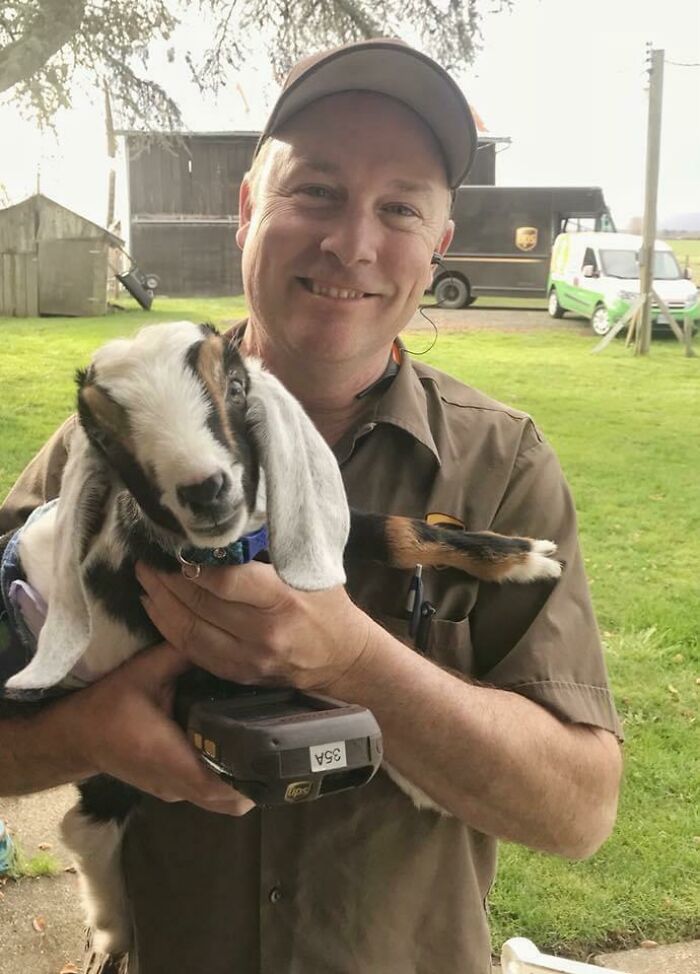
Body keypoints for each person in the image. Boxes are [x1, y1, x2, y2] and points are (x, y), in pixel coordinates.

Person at [0, 39, 622, 974]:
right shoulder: (106, 441)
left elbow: (577, 811)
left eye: (400, 206)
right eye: (316, 191)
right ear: (248, 210)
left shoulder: (499, 465)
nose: (352, 244)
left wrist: (357, 661)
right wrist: (80, 735)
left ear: (439, 245)